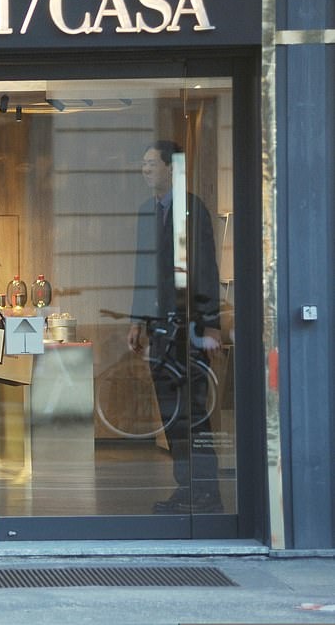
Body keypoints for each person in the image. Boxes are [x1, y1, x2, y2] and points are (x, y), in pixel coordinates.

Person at [126, 141, 224, 514]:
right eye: (143, 163)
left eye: (151, 163)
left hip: (189, 328)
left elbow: (205, 269)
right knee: (171, 412)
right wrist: (137, 320)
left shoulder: (191, 209)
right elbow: (142, 272)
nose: (145, 169)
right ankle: (187, 487)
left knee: (192, 412)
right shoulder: (146, 211)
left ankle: (206, 491)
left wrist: (211, 324)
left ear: (171, 168)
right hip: (158, 329)